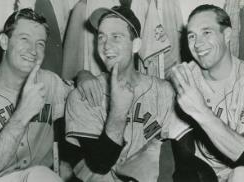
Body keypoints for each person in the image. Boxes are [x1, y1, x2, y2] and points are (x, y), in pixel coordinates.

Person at [0, 8, 94, 182]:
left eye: (40, 43)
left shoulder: (48, 82)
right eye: (24, 39)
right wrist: (23, 113)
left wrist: (85, 75)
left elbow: (81, 98)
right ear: (4, 42)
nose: (33, 50)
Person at [65, 5, 191, 182]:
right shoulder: (83, 94)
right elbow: (100, 164)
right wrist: (118, 111)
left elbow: (185, 156)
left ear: (136, 45)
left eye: (116, 37)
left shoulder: (163, 91)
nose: (106, 45)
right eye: (101, 37)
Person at [170, 4, 244, 182]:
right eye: (192, 36)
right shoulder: (187, 77)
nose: (197, 44)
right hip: (213, 170)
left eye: (207, 33)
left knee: (241, 175)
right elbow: (184, 156)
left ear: (226, 35)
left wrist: (201, 111)